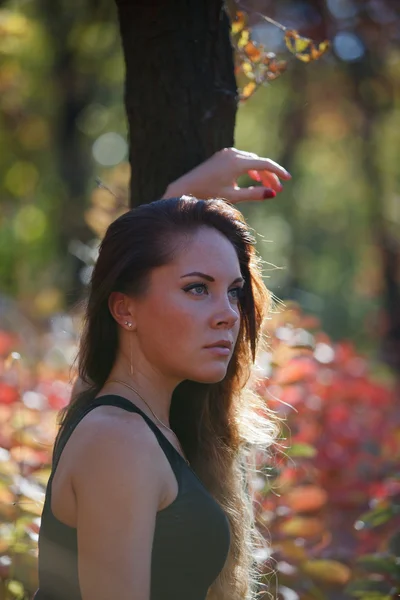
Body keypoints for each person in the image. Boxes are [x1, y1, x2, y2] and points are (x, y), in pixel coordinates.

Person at [34, 148, 291, 600]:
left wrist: (179, 199)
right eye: (197, 289)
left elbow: (132, 266)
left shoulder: (122, 418)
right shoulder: (118, 439)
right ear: (124, 309)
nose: (229, 315)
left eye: (233, 292)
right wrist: (179, 200)